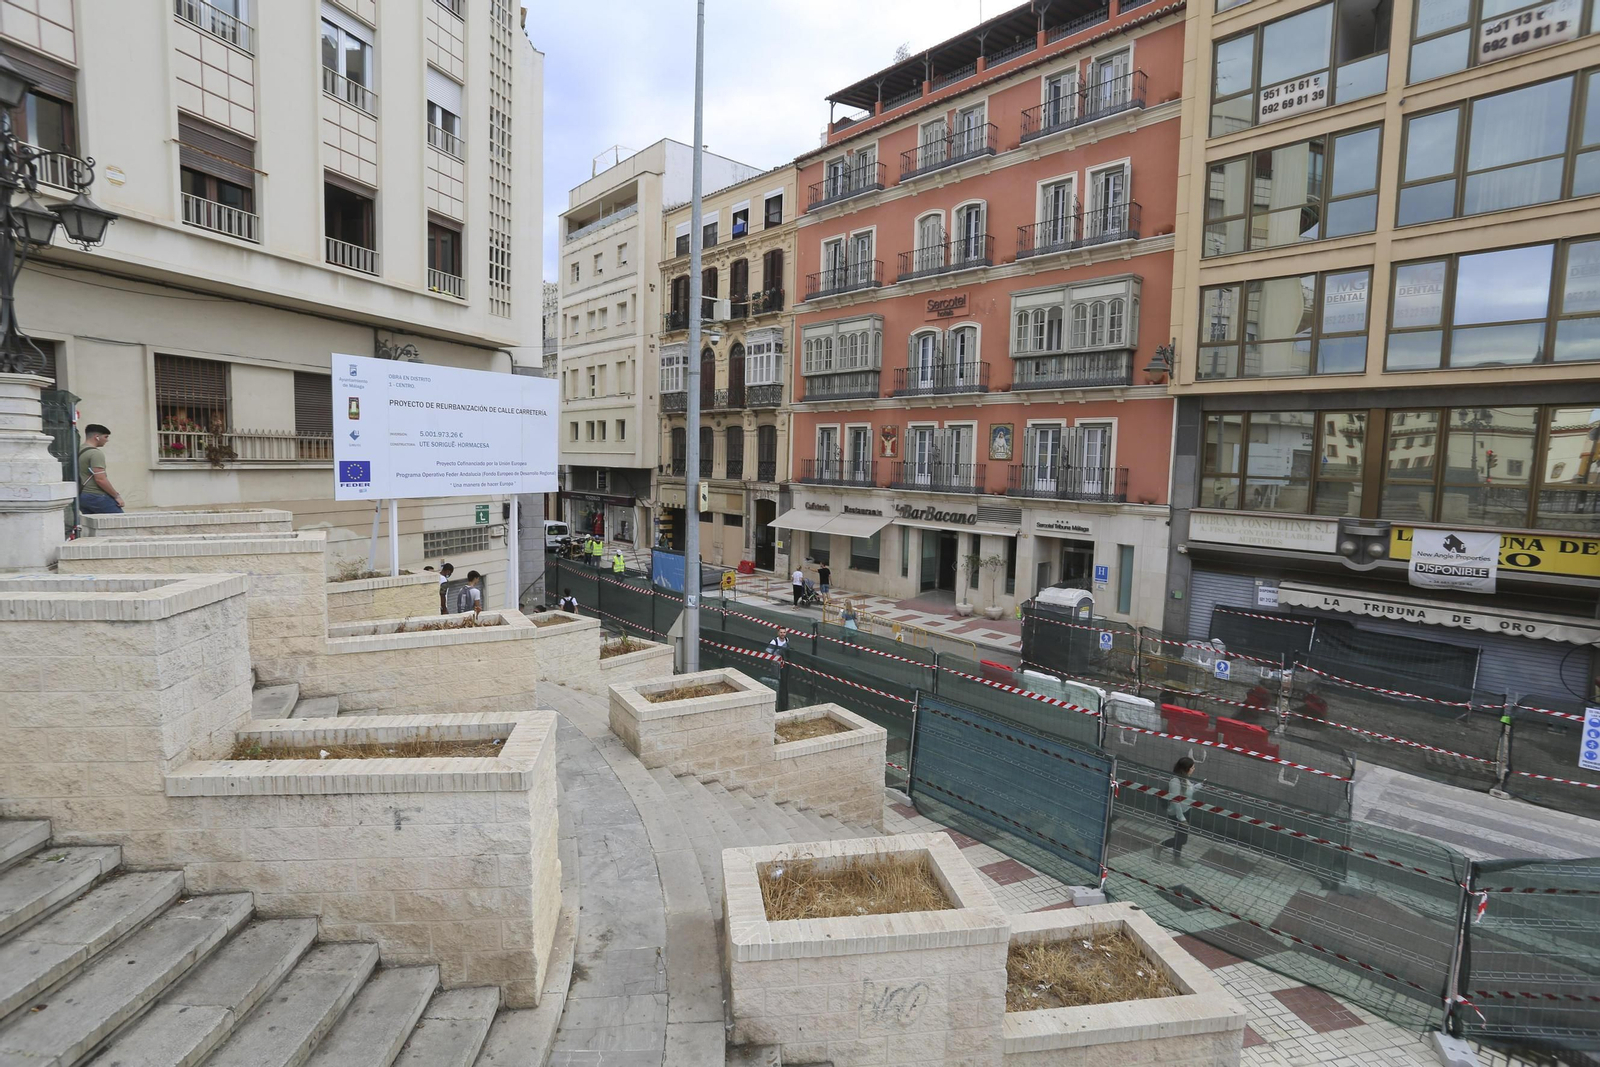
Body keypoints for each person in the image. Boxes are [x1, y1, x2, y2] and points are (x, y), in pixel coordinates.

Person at [1156, 757, 1201, 867]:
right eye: (1192, 767)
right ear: (1186, 769)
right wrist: (1181, 819)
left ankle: (1176, 858)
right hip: (1176, 814)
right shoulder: (1175, 781)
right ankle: (1159, 846)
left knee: (1179, 835)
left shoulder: (1185, 779)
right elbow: (1176, 801)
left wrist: (1200, 786)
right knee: (1182, 838)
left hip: (1186, 811)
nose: (1193, 769)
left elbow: (1188, 792)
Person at [77, 424, 124, 514]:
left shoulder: (79, 450)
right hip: (96, 495)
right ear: (97, 437)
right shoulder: (95, 453)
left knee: (93, 525)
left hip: (81, 496)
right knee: (120, 522)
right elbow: (100, 479)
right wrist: (116, 496)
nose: (107, 440)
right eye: (105, 437)